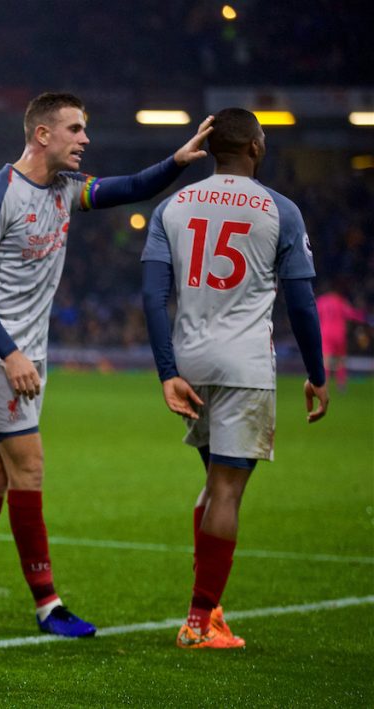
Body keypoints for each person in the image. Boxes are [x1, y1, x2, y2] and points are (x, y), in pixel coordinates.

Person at [0, 92, 214, 636]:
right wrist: (9, 355)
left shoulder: (66, 190)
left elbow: (130, 188)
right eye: (76, 129)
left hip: (24, 352)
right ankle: (47, 604)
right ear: (42, 135)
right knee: (29, 467)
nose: (85, 140)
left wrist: (177, 162)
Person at [141, 107, 328, 649]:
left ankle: (210, 608)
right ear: (254, 147)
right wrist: (316, 374)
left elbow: (154, 298)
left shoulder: (172, 206)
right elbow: (301, 302)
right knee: (226, 490)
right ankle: (200, 621)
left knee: (212, 484)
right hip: (244, 364)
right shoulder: (280, 210)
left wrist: (167, 372)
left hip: (191, 362)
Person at [316, 280, 368, 390]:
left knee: (326, 360)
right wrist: (364, 316)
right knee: (340, 360)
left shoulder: (321, 301)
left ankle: (324, 384)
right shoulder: (340, 301)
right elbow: (351, 314)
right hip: (339, 334)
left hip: (325, 333)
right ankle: (341, 385)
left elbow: (314, 315)